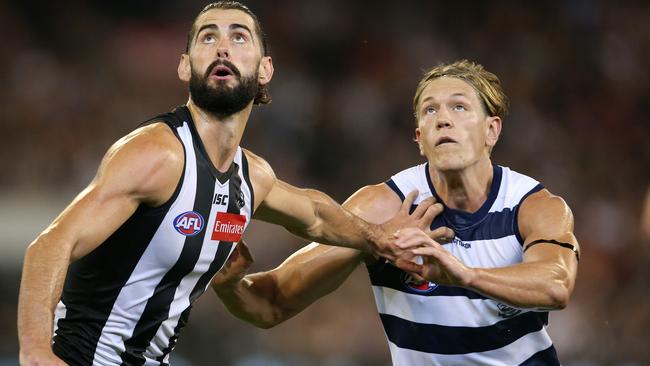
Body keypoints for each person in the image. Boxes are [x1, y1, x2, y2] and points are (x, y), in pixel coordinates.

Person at [16, 2, 442, 365]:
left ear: (265, 69)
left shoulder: (251, 176)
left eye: (239, 37)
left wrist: (380, 240)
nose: (222, 46)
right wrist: (36, 353)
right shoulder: (158, 154)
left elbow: (314, 215)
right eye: (206, 37)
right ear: (185, 65)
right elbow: (50, 246)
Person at [213, 60, 581, 365]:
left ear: (492, 130)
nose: (443, 119)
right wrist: (229, 285)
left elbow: (557, 285)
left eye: (459, 107)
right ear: (419, 137)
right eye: (430, 110)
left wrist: (463, 275)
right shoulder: (380, 211)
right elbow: (270, 304)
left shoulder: (532, 205)